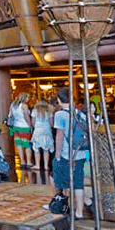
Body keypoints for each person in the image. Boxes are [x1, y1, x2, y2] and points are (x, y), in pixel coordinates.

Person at [52, 87, 88, 219]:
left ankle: (60, 202)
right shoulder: (79, 113)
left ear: (59, 100)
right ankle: (80, 212)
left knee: (61, 178)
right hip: (81, 152)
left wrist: (57, 154)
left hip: (67, 153)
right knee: (78, 182)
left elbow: (59, 136)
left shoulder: (60, 115)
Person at [8, 92, 33, 169]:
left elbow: (10, 115)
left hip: (16, 127)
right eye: (27, 98)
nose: (28, 99)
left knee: (19, 145)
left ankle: (22, 161)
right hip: (24, 127)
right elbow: (26, 117)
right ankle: (28, 162)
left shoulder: (13, 105)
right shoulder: (24, 106)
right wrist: (30, 126)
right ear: (24, 98)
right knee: (27, 145)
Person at [30, 100, 55, 171]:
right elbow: (51, 123)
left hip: (38, 130)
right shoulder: (49, 111)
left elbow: (33, 122)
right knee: (46, 149)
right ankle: (46, 166)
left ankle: (37, 165)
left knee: (36, 149)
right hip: (47, 130)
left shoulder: (35, 111)